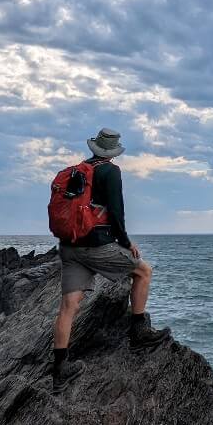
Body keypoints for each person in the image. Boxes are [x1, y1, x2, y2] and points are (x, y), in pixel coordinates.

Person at [51, 128, 171, 391]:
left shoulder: (77, 170)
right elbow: (116, 213)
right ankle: (138, 332)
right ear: (113, 151)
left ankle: (60, 370)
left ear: (95, 147)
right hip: (95, 246)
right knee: (143, 271)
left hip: (69, 246)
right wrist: (126, 243)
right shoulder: (110, 172)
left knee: (69, 306)